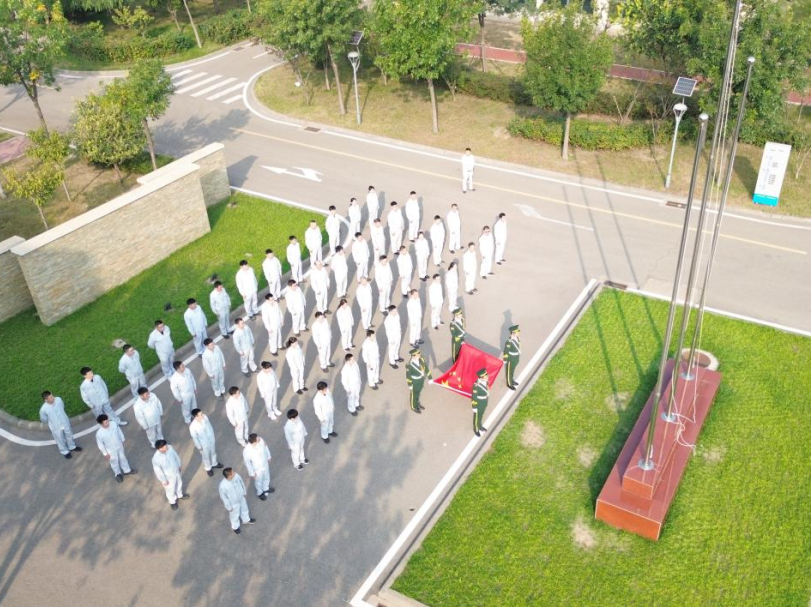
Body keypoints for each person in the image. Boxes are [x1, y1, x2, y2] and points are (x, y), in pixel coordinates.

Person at [39, 391, 81, 459]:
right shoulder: (43, 409)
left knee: (69, 434)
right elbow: (44, 419)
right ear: (46, 400)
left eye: (52, 396)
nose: (53, 398)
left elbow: (62, 406)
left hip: (64, 421)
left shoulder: (58, 399)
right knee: (60, 439)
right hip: (55, 426)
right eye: (50, 397)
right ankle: (65, 452)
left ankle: (72, 446)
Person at [95, 414, 136, 482]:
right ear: (101, 424)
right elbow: (100, 445)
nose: (108, 423)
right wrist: (105, 453)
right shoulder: (99, 434)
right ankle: (118, 474)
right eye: (105, 422)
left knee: (123, 458)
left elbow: (119, 431)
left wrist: (122, 440)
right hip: (111, 450)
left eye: (107, 421)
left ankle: (127, 470)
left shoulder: (113, 424)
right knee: (114, 462)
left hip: (119, 445)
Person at [152, 440, 187, 510]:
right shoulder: (156, 459)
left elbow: (175, 456)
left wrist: (179, 465)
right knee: (170, 489)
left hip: (176, 471)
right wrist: (163, 480)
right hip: (168, 477)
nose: (166, 446)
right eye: (164, 446)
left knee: (179, 483)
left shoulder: (170, 448)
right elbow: (158, 471)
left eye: (166, 445)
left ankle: (179, 494)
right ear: (160, 448)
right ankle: (172, 501)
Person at [219, 468, 255, 535]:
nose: (234, 472)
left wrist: (244, 492)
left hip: (241, 498)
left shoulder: (236, 476)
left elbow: (241, 483)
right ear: (229, 476)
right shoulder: (223, 486)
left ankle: (246, 519)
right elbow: (224, 498)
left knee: (244, 509)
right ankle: (235, 527)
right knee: (234, 516)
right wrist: (229, 507)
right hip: (233, 503)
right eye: (233, 472)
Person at [189, 408, 221, 477]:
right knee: (206, 456)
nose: (202, 415)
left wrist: (212, 435)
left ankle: (214, 463)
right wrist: (199, 447)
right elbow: (195, 438)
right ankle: (208, 468)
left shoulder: (205, 417)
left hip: (211, 439)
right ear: (195, 417)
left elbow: (209, 426)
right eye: (200, 415)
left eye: (202, 413)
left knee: (213, 452)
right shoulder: (192, 427)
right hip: (203, 444)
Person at [243, 433, 274, 500]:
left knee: (266, 476)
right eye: (257, 439)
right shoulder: (247, 451)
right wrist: (252, 473)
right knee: (258, 481)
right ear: (254, 442)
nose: (259, 438)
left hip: (265, 463)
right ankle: (260, 493)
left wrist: (268, 456)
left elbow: (265, 447)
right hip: (257, 468)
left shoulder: (261, 440)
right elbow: (247, 463)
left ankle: (265, 488)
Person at [406, 348, 431, 414]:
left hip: (421, 380)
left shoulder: (421, 359)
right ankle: (413, 406)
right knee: (414, 394)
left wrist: (430, 378)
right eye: (417, 355)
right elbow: (408, 376)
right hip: (415, 381)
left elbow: (426, 368)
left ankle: (417, 403)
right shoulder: (410, 366)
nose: (419, 356)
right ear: (413, 356)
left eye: (419, 354)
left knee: (418, 393)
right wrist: (410, 385)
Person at [471, 368, 490, 436]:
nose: (487, 377)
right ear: (481, 377)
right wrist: (474, 407)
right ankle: (476, 429)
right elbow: (474, 397)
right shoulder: (476, 386)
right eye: (485, 376)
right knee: (476, 416)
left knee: (481, 414)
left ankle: (479, 425)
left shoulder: (485, 381)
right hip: (479, 403)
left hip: (484, 401)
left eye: (487, 375)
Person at [503, 325, 521, 390]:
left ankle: (511, 380)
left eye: (518, 331)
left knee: (512, 370)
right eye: (517, 332)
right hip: (511, 358)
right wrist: (505, 360)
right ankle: (509, 383)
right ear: (513, 333)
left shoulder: (516, 338)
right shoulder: (509, 342)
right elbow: (506, 351)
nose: (519, 333)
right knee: (509, 371)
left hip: (516, 357)